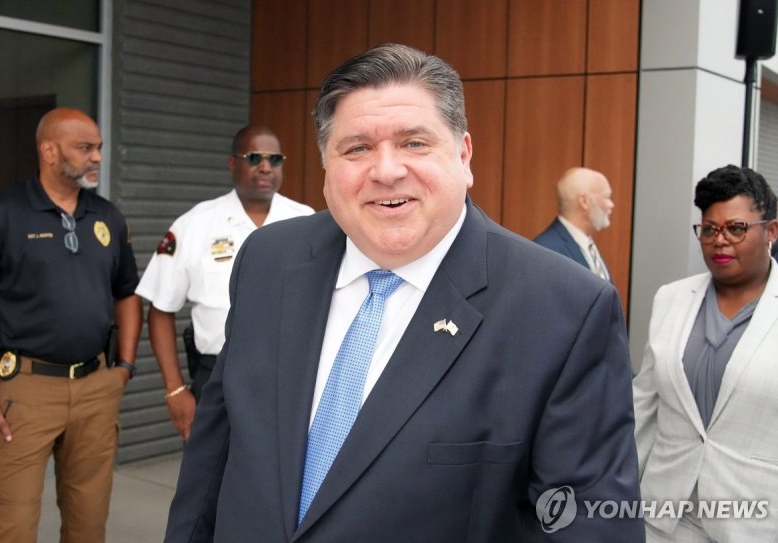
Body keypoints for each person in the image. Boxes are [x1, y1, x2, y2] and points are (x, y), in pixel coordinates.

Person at [165, 43, 642, 541]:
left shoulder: (564, 310)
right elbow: (213, 459)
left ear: (464, 155)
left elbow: (589, 526)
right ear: (326, 166)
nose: (386, 170)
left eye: (414, 143)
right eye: (357, 148)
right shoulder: (268, 261)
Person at [0, 107, 142, 542]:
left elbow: (128, 293)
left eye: (99, 148)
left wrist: (123, 367)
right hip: (25, 391)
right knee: (13, 526)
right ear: (49, 151)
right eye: (85, 148)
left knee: (88, 524)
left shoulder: (107, 217)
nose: (97, 157)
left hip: (96, 388)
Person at [136, 126, 314, 440]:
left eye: (274, 159)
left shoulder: (307, 223)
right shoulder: (196, 224)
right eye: (254, 158)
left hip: (291, 377)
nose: (265, 167)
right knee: (211, 467)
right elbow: (161, 308)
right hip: (217, 376)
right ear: (233, 163)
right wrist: (174, 389)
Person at [634, 165, 778, 541]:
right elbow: (643, 408)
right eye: (709, 229)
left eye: (736, 228)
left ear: (771, 231)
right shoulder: (671, 299)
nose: (720, 240)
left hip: (756, 522)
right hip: (664, 518)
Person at [533, 167, 614, 280]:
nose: (611, 205)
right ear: (584, 202)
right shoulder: (546, 251)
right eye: (607, 197)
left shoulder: (588, 247)